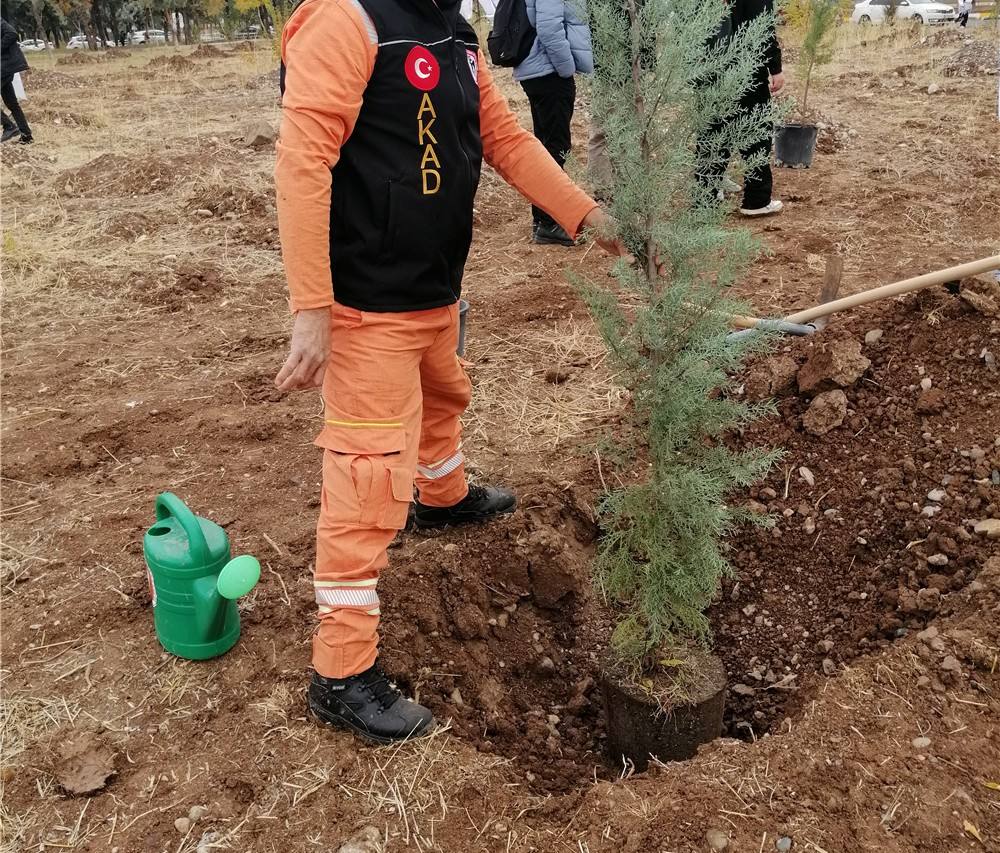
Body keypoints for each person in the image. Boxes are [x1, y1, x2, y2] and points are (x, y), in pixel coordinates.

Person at [274, 0, 624, 745]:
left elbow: (502, 137)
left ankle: (443, 494)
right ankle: (340, 671)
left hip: (435, 284)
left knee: (442, 397)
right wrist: (312, 306)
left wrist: (583, 214)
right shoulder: (347, 19)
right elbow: (303, 160)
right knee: (367, 476)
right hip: (367, 299)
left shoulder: (453, 31)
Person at [513, 0, 593, 245]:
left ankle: (542, 218)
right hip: (549, 73)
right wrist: (566, 68)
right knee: (556, 148)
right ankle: (550, 223)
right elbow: (549, 28)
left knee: (545, 146)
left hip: (537, 71)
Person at [698, 0, 784, 217]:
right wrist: (775, 67)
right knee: (755, 131)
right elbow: (761, 24)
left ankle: (704, 199)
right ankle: (756, 200)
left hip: (710, 69)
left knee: (714, 132)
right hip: (745, 68)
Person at [1, 18, 32, 144]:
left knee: (12, 104)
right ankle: (26, 135)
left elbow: (12, 34)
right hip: (4, 68)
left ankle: (9, 126)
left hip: (5, 66)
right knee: (12, 104)